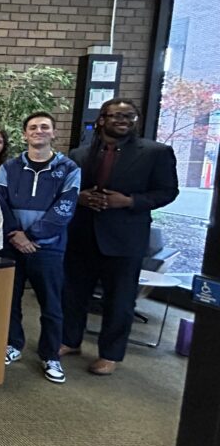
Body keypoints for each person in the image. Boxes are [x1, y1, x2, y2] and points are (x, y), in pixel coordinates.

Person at [60, 98, 179, 376]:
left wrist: (128, 201)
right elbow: (64, 188)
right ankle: (69, 340)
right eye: (116, 115)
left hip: (125, 239)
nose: (123, 120)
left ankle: (109, 354)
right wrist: (80, 197)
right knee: (73, 294)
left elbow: (167, 192)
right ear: (102, 119)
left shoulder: (155, 152)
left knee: (120, 300)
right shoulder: (80, 154)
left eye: (130, 116)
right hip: (82, 234)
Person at [0, 113, 80, 384]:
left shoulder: (69, 169)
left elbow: (64, 209)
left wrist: (31, 237)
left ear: (54, 133)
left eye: (45, 127)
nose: (38, 131)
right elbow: (0, 204)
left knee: (52, 305)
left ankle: (50, 354)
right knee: (10, 301)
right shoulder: (9, 167)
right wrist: (15, 236)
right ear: (24, 134)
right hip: (11, 246)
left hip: (48, 248)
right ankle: (13, 344)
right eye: (33, 127)